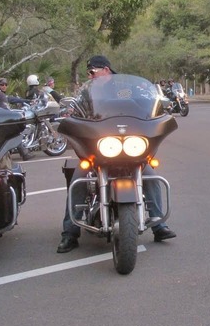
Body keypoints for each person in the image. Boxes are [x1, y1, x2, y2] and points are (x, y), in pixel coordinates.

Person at [57, 55, 176, 253]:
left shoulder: (129, 87)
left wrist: (158, 113)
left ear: (105, 68)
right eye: (89, 72)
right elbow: (75, 110)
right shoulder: (87, 91)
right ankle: (69, 233)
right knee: (78, 180)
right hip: (99, 147)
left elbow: (147, 107)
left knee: (151, 176)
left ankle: (158, 224)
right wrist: (69, 116)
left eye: (92, 71)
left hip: (129, 144)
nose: (90, 75)